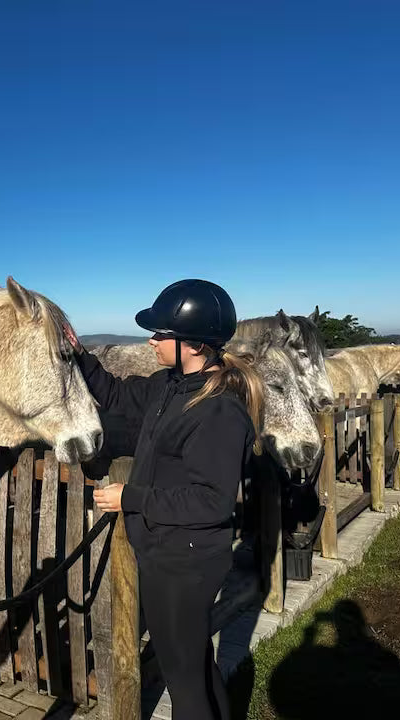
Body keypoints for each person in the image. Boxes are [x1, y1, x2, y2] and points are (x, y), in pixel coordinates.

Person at [63, 279, 264, 720]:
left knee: (183, 681)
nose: (151, 342)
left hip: (186, 564)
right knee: (195, 664)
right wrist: (79, 354)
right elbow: (115, 394)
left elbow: (212, 502)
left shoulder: (219, 411)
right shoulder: (170, 385)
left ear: (194, 345)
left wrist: (130, 497)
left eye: (161, 334)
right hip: (166, 554)